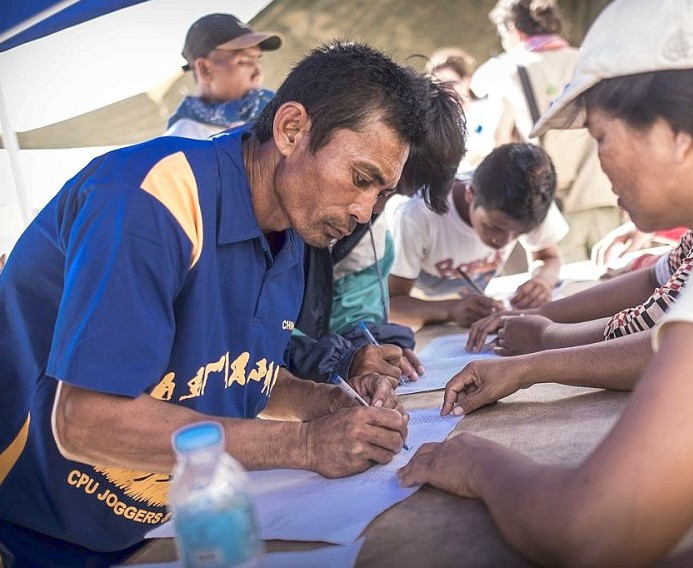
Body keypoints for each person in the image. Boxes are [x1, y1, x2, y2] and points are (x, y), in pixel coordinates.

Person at [398, 0, 693, 567]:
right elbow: (674, 345)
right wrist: (537, 360)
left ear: (679, 132)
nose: (600, 163)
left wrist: (475, 462)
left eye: (602, 135)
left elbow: (596, 530)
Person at [0, 41, 431, 566]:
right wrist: (305, 446)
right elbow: (86, 420)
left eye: (381, 194)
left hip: (154, 526)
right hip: (30, 526)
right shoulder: (150, 200)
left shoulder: (292, 231)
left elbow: (230, 370)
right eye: (361, 179)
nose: (365, 211)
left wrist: (323, 401)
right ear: (292, 130)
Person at [288, 73, 467, 386]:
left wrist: (370, 348)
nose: (370, 210)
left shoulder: (370, 231)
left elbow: (355, 311)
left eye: (394, 193)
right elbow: (256, 337)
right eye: (365, 181)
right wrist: (340, 358)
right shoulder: (283, 212)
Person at [472, 0, 624, 263]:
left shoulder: (509, 70)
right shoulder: (593, 60)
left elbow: (499, 142)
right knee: (616, 285)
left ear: (513, 29)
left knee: (569, 295)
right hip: (608, 196)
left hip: (552, 208)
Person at [389, 143, 567, 330]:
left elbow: (549, 258)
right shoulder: (418, 215)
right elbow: (392, 305)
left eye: (519, 233)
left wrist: (543, 281)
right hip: (423, 325)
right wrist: (452, 309)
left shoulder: (533, 202)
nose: (505, 241)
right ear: (470, 195)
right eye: (494, 227)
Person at [465, 229, 693, 354]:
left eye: (602, 138)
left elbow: (656, 329)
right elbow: (654, 277)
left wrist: (546, 338)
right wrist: (541, 313)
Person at [165, 13, 283, 139]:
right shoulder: (183, 142)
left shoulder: (265, 118)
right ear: (205, 70)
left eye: (258, 60)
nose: (258, 74)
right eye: (244, 61)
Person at [425, 47, 496, 176]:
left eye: (451, 84)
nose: (446, 91)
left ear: (467, 80)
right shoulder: (432, 121)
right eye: (439, 85)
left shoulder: (490, 108)